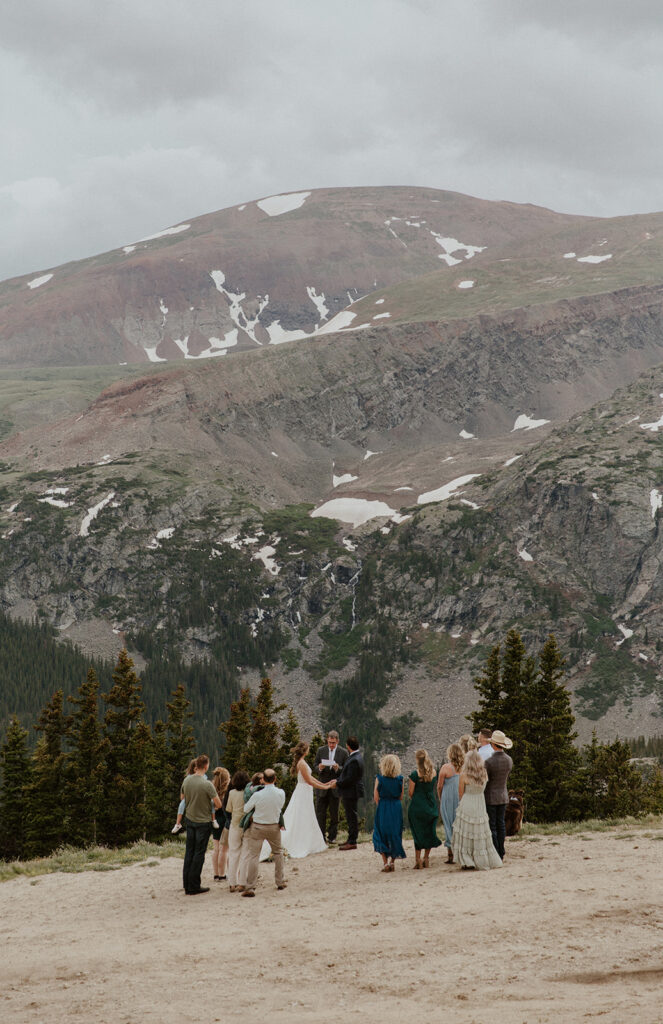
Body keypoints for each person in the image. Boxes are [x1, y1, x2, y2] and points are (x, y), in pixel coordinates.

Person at [238, 768, 287, 897]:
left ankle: (251, 886)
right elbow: (280, 806)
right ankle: (280, 881)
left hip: (258, 827)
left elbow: (246, 808)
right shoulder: (281, 793)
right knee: (278, 853)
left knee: (254, 856)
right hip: (274, 827)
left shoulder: (257, 795)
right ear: (275, 779)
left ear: (263, 780)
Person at [451, 750, 502, 871]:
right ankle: (479, 859)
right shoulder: (483, 773)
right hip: (480, 803)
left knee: (466, 832)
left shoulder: (464, 775)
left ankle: (467, 860)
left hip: (468, 802)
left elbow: (460, 793)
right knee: (479, 832)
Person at [181, 754, 222, 895]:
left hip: (190, 819)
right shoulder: (207, 784)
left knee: (189, 852)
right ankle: (194, 886)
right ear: (206, 766)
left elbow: (183, 798)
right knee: (199, 853)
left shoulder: (187, 781)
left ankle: (186, 884)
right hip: (203, 822)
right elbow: (218, 803)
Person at [283, 742, 331, 858]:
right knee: (303, 815)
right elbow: (309, 781)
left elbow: (311, 778)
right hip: (303, 791)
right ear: (305, 751)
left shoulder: (302, 763)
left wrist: (324, 783)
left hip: (305, 791)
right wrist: (325, 787)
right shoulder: (302, 764)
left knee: (306, 815)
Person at [407, 748, 441, 869]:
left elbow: (410, 792)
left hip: (417, 805)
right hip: (430, 804)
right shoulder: (433, 773)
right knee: (429, 831)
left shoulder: (415, 775)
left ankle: (418, 860)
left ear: (417, 760)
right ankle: (426, 858)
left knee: (418, 832)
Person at [313, 730, 349, 844]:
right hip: (322, 786)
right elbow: (314, 766)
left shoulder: (343, 752)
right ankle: (320, 837)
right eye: (329, 742)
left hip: (335, 788)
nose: (331, 745)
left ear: (337, 741)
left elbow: (347, 770)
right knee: (320, 813)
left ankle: (332, 837)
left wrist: (338, 768)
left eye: (333, 743)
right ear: (327, 741)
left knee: (334, 814)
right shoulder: (321, 750)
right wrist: (320, 767)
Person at [329, 736, 364, 850]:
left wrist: (337, 783)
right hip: (351, 790)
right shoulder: (356, 756)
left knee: (351, 816)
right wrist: (338, 781)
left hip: (351, 791)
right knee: (350, 815)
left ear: (348, 746)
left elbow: (349, 778)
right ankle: (350, 839)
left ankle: (352, 841)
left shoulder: (354, 759)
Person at [372, 754, 406, 871]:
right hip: (396, 807)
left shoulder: (379, 779)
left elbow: (376, 797)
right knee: (395, 834)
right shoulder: (400, 779)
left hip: (383, 806)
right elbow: (401, 796)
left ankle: (385, 863)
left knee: (380, 833)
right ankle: (392, 862)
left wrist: (382, 805)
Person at [484, 729, 514, 861]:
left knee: (492, 825)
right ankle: (501, 850)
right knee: (501, 824)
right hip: (503, 795)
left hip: (490, 797)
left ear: (493, 744)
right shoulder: (509, 760)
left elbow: (486, 780)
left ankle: (496, 851)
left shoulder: (489, 762)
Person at [438, 742, 464, 863]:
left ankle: (450, 854)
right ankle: (460, 852)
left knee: (448, 824)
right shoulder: (464, 767)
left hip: (447, 797)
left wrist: (440, 797)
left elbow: (439, 786)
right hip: (461, 796)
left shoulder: (445, 768)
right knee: (459, 823)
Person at [226, 770, 249, 892]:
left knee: (233, 853)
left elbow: (228, 809)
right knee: (245, 855)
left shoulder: (231, 793)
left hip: (234, 824)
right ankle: (242, 882)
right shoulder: (248, 793)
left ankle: (232, 883)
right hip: (245, 825)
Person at [211, 766, 230, 881]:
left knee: (216, 848)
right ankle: (223, 875)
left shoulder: (212, 789)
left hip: (214, 820)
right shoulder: (228, 791)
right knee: (224, 849)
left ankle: (216, 874)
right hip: (225, 820)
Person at [171, 759, 196, 834]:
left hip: (194, 797)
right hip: (190, 797)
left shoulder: (203, 776)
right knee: (182, 803)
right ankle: (178, 823)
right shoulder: (188, 778)